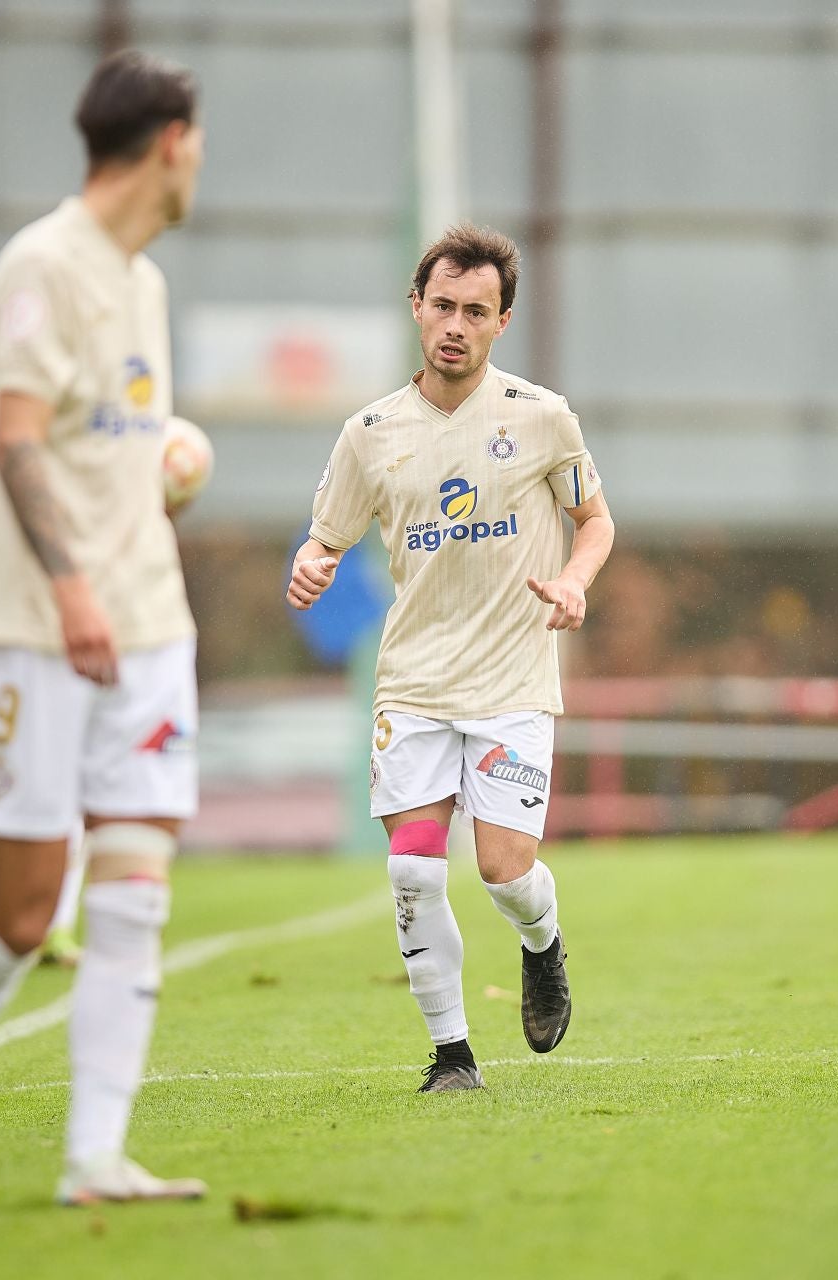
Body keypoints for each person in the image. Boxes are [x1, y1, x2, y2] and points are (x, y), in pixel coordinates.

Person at [0, 50, 209, 1209]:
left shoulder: (146, 284)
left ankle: (96, 1156)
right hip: (38, 632)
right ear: (171, 142)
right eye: (199, 145)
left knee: (135, 887)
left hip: (149, 628)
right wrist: (72, 581)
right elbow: (16, 439)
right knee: (25, 914)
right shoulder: (39, 268)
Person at [287, 225, 615, 1091]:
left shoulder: (541, 418)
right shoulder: (369, 433)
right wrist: (312, 563)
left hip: (510, 681)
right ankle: (451, 1055)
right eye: (443, 307)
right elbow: (326, 537)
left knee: (505, 871)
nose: (456, 325)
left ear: (502, 320)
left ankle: (542, 945)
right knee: (411, 868)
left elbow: (596, 521)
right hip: (416, 684)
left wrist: (578, 580)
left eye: (477, 310)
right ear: (417, 309)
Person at [0, 405, 84, 969]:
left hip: (109, 631)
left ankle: (58, 923)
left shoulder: (126, 394)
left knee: (88, 790)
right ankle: (17, 920)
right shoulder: (0, 406)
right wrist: (1, 575)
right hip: (21, 639)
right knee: (21, 792)